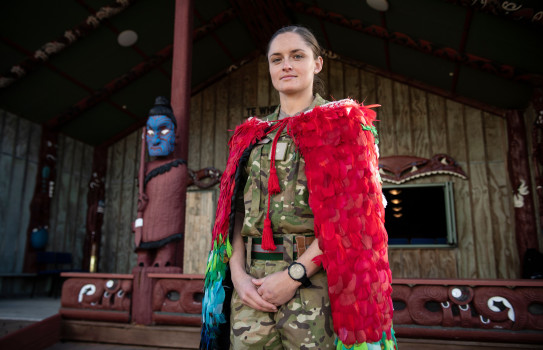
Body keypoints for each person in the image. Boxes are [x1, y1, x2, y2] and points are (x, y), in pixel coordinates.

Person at [201, 26, 396, 350]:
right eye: (277, 59)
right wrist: (236, 276)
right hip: (250, 285)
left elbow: (355, 218)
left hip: (316, 283)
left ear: (317, 63)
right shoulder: (250, 135)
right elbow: (232, 213)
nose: (286, 65)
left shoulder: (344, 125)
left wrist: (294, 275)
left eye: (297, 56)